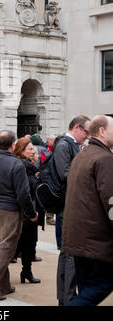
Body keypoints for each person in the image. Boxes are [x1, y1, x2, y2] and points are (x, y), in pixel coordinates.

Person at [0, 130, 38, 301]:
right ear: (12, 145)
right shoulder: (16, 164)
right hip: (8, 210)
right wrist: (31, 214)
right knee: (6, 247)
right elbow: (23, 194)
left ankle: (4, 285)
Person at [62, 115, 113, 306]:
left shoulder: (83, 154)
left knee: (87, 287)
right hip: (95, 239)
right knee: (102, 283)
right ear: (102, 131)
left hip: (79, 236)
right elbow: (111, 201)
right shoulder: (104, 158)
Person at [54, 115, 91, 306]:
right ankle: (68, 298)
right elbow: (66, 174)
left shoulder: (70, 145)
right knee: (70, 254)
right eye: (86, 132)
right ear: (77, 128)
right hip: (68, 206)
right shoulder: (64, 145)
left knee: (68, 253)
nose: (87, 136)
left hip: (70, 205)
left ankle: (65, 297)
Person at [13, 137, 41, 284]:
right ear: (21, 150)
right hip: (23, 210)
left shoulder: (28, 166)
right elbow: (28, 189)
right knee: (22, 242)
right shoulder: (23, 166)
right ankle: (26, 272)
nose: (32, 152)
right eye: (29, 149)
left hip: (27, 208)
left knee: (29, 243)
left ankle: (27, 271)